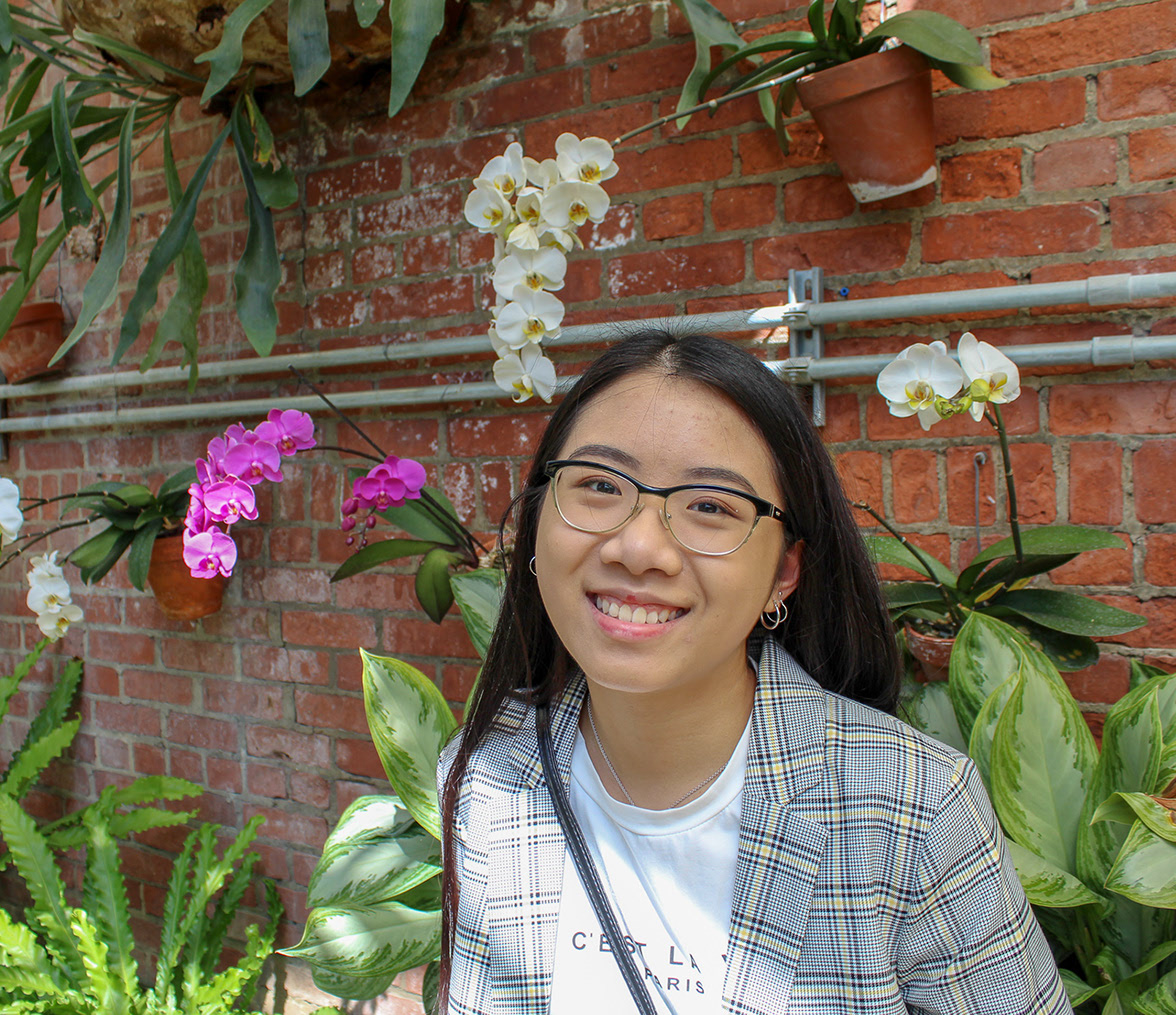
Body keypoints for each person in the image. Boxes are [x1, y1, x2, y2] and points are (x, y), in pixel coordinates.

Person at [437, 332, 1069, 1014]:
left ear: (783, 573)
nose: (640, 546)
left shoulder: (911, 807)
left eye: (710, 505)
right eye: (597, 485)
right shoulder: (486, 779)